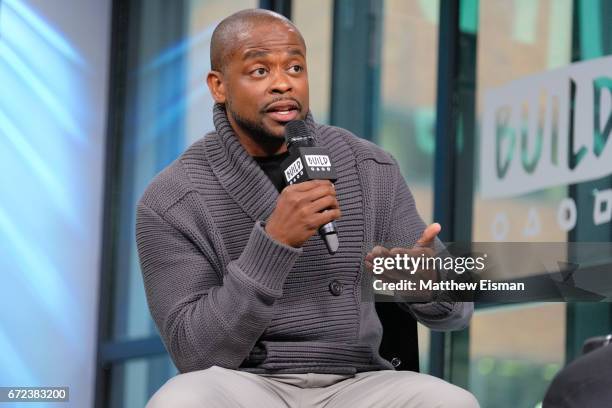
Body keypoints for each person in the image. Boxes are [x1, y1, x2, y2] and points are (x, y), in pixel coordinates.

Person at [135, 8, 478, 408]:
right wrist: (274, 242)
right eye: (260, 71)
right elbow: (194, 352)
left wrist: (428, 285)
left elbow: (458, 310)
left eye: (295, 67)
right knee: (179, 402)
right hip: (247, 384)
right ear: (219, 86)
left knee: (452, 402)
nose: (283, 84)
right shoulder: (171, 199)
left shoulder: (369, 166)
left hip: (358, 381)